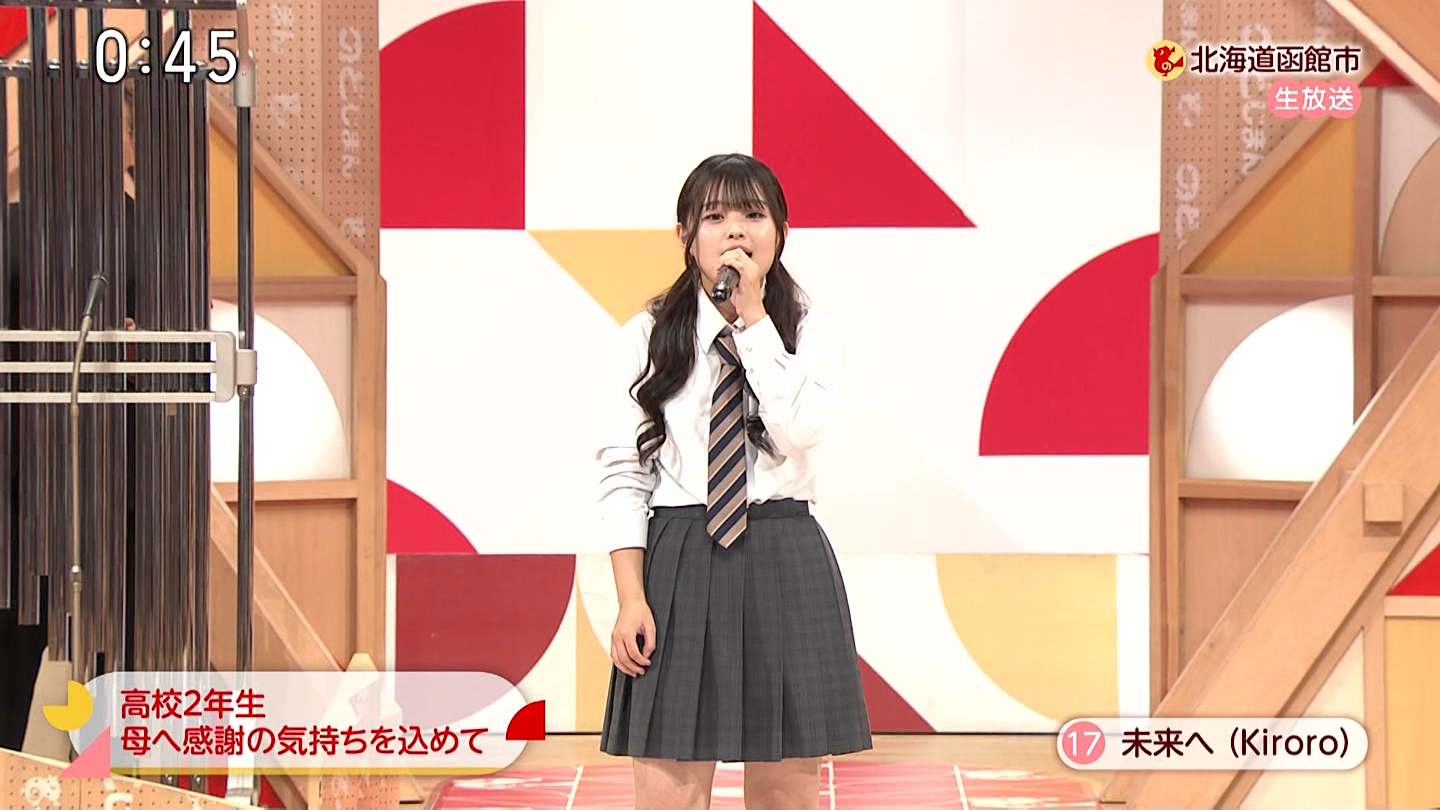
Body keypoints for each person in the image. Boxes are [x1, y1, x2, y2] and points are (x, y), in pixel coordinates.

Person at [596, 153, 872, 808]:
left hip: (782, 551)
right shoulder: (647, 334)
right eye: (715, 217)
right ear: (686, 234)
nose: (736, 231)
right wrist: (631, 597)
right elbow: (623, 470)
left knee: (784, 793)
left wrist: (753, 324)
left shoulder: (807, 331)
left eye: (754, 215)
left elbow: (798, 430)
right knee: (668, 790)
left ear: (781, 232)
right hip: (679, 556)